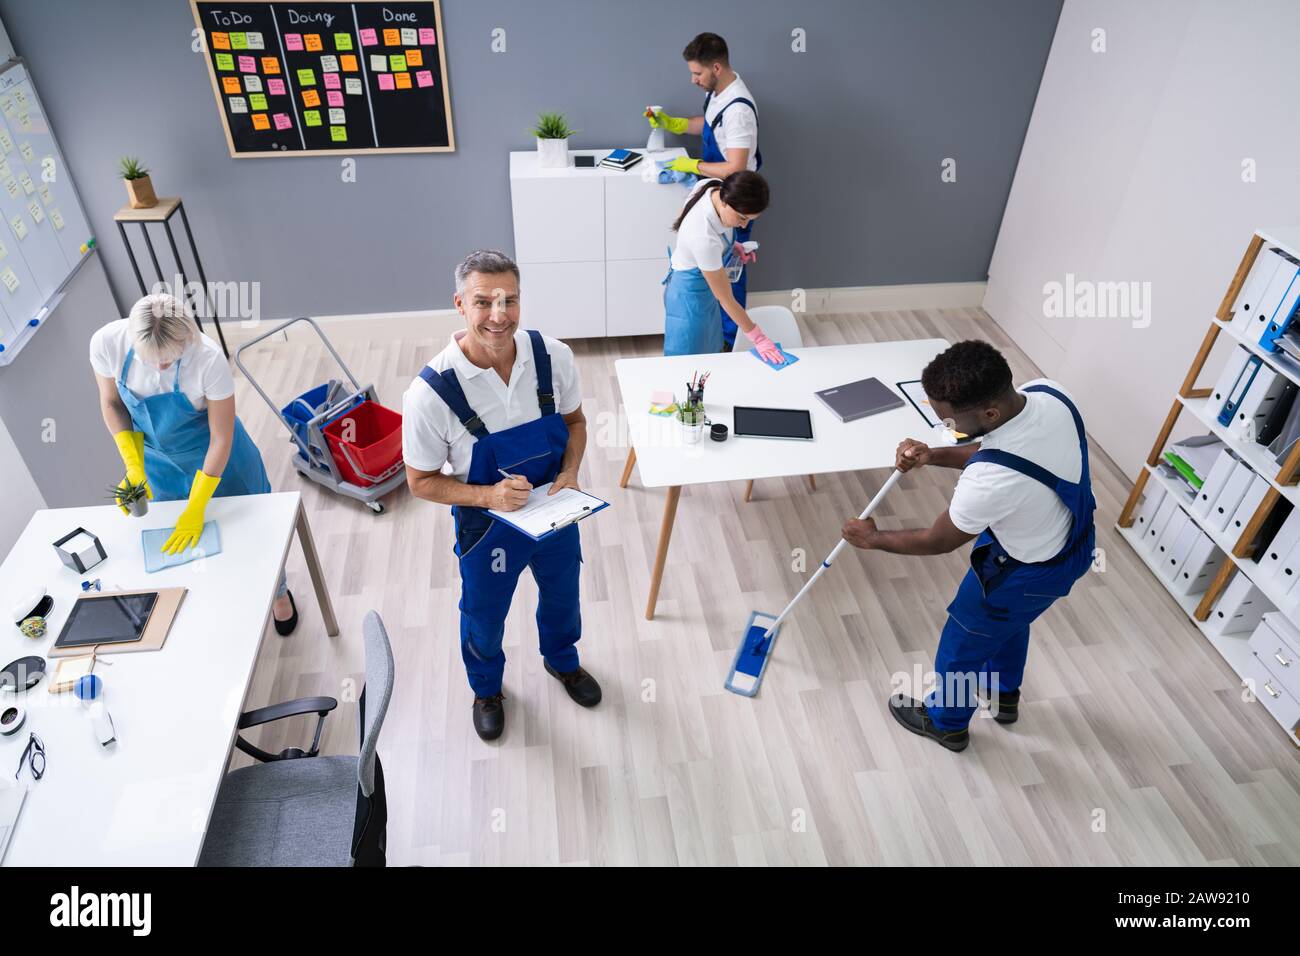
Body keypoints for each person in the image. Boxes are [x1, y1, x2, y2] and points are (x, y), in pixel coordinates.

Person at [840, 341, 1095, 752]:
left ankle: (948, 725)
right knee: (1009, 624)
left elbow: (937, 540)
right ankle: (1002, 695)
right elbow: (996, 446)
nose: (945, 426)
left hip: (1023, 570)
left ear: (989, 413)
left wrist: (873, 539)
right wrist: (933, 455)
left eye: (949, 421)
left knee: (962, 644)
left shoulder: (989, 483)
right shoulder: (1049, 394)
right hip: (1070, 539)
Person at [402, 250, 600, 742]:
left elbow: (575, 424)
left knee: (563, 598)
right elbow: (420, 481)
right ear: (459, 304)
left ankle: (563, 662)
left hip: (554, 512)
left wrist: (570, 471)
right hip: (487, 527)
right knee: (484, 617)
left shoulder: (554, 357)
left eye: (509, 300)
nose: (498, 314)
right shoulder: (429, 395)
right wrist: (489, 496)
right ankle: (487, 689)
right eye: (483, 301)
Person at [91, 293, 298, 634]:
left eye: (170, 361)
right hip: (157, 463)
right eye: (153, 361)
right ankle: (217, 603)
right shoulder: (107, 344)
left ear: (186, 338)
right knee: (185, 548)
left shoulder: (208, 359)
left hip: (216, 459)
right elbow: (112, 404)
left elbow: (221, 438)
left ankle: (278, 594)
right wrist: (133, 465)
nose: (161, 368)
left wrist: (198, 502)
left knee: (250, 534)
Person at [649, 32, 762, 347]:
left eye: (696, 73)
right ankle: (721, 334)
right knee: (718, 266)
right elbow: (710, 124)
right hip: (716, 195)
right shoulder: (720, 93)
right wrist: (676, 124)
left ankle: (729, 340)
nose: (693, 79)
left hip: (734, 197)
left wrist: (693, 166)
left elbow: (736, 166)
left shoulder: (739, 111)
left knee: (730, 274)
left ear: (716, 67)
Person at [665, 171, 783, 362]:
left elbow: (718, 236)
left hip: (706, 295)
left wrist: (732, 246)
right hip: (688, 302)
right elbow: (726, 299)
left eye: (750, 220)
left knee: (711, 356)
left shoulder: (716, 186)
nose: (744, 226)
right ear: (725, 202)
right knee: (686, 366)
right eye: (742, 217)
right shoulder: (703, 239)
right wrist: (758, 338)